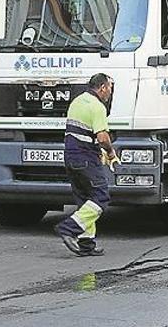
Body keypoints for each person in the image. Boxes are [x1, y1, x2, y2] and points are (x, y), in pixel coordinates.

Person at [55, 73, 119, 256]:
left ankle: (86, 244)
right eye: (109, 89)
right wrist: (110, 152)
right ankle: (68, 228)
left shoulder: (77, 101)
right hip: (86, 158)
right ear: (102, 88)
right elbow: (102, 137)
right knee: (101, 197)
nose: (110, 93)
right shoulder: (97, 106)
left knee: (84, 200)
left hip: (71, 156)